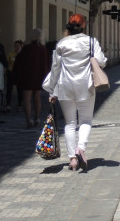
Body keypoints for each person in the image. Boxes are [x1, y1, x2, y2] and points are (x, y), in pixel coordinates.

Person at [43, 14, 107, 171]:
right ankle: (81, 148)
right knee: (85, 120)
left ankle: (72, 158)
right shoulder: (91, 42)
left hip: (65, 87)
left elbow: (55, 68)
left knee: (70, 123)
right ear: (83, 26)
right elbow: (102, 61)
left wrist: (52, 90)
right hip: (86, 86)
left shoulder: (61, 44)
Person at [13, 29, 51, 128]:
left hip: (27, 76)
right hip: (39, 76)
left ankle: (28, 119)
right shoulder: (43, 49)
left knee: (26, 98)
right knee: (37, 98)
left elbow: (20, 62)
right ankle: (37, 118)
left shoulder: (27, 48)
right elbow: (47, 64)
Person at [5, 39, 24, 112]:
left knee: (20, 90)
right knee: (9, 89)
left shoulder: (23, 55)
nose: (16, 48)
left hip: (19, 74)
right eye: (15, 46)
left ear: (21, 46)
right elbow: (8, 63)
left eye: (18, 46)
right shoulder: (11, 54)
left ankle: (19, 105)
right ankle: (8, 105)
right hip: (11, 72)